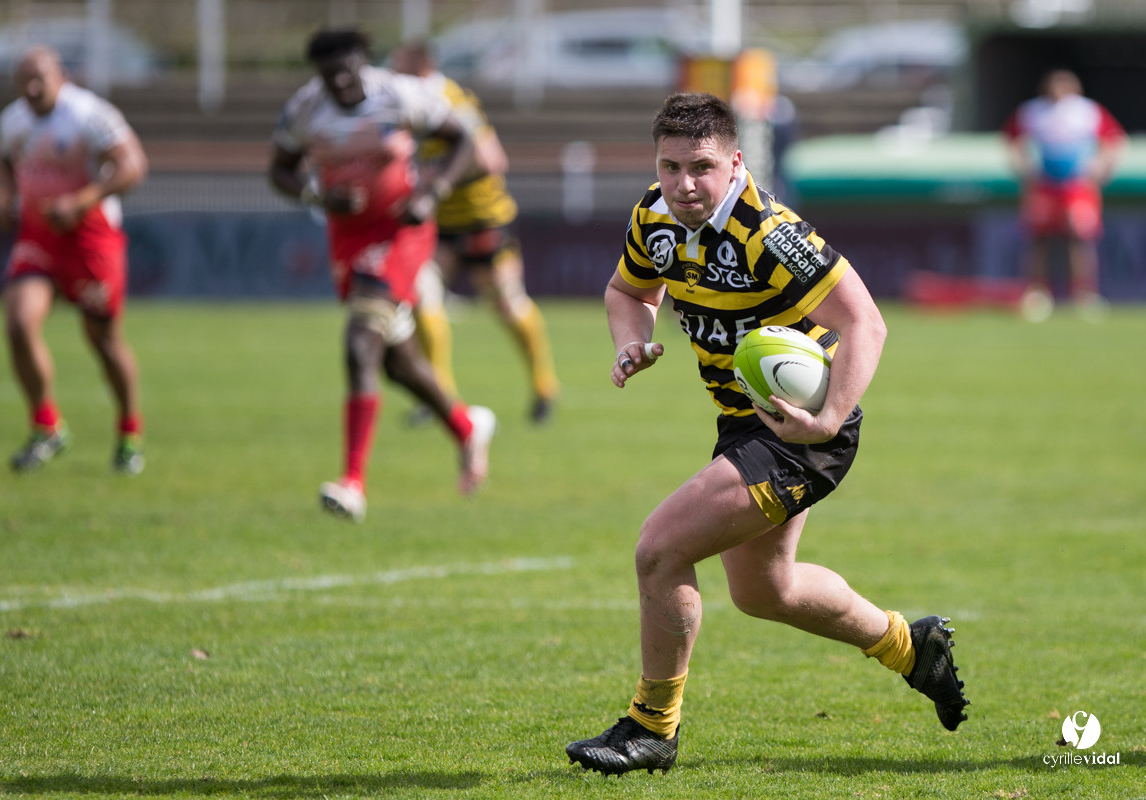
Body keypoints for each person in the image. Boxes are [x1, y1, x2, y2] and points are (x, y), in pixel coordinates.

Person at [565, 93, 969, 777]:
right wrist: (631, 342)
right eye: (670, 167)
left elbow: (865, 322)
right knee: (764, 590)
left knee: (660, 551)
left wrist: (830, 416)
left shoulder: (769, 230)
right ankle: (910, 645)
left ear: (735, 163)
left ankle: (651, 727)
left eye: (701, 167)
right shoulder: (653, 216)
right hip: (742, 424)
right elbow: (628, 291)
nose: (684, 185)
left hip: (800, 432)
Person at [268, 28, 497, 523]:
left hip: (400, 232)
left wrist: (432, 193)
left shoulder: (401, 94)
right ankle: (464, 425)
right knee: (395, 362)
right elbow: (279, 169)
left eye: (348, 72)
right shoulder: (305, 108)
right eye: (330, 76)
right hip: (347, 239)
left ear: (363, 64)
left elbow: (465, 141)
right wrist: (318, 197)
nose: (341, 83)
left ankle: (352, 480)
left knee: (358, 345)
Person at [0, 45, 149, 475]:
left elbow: (133, 166)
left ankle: (129, 431)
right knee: (19, 325)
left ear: (61, 76)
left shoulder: (89, 114)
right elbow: (6, 162)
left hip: (90, 241)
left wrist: (81, 201)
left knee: (103, 341)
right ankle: (46, 427)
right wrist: (4, 197)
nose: (31, 88)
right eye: (23, 81)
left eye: (39, 78)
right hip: (39, 238)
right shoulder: (11, 120)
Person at [389, 40, 560, 424]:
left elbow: (492, 159)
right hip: (439, 222)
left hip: (483, 218)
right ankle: (440, 399)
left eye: (398, 69)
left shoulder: (448, 100)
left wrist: (435, 176)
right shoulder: (406, 104)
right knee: (423, 298)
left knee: (507, 304)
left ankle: (544, 386)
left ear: (419, 70)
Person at [1002, 68, 1126, 322]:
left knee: (1079, 238)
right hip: (1044, 186)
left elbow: (1115, 140)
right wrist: (1024, 170)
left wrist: (1101, 168)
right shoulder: (1032, 111)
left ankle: (1084, 294)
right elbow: (1010, 139)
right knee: (1040, 240)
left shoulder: (1087, 111)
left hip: (1077, 186)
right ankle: (1037, 293)